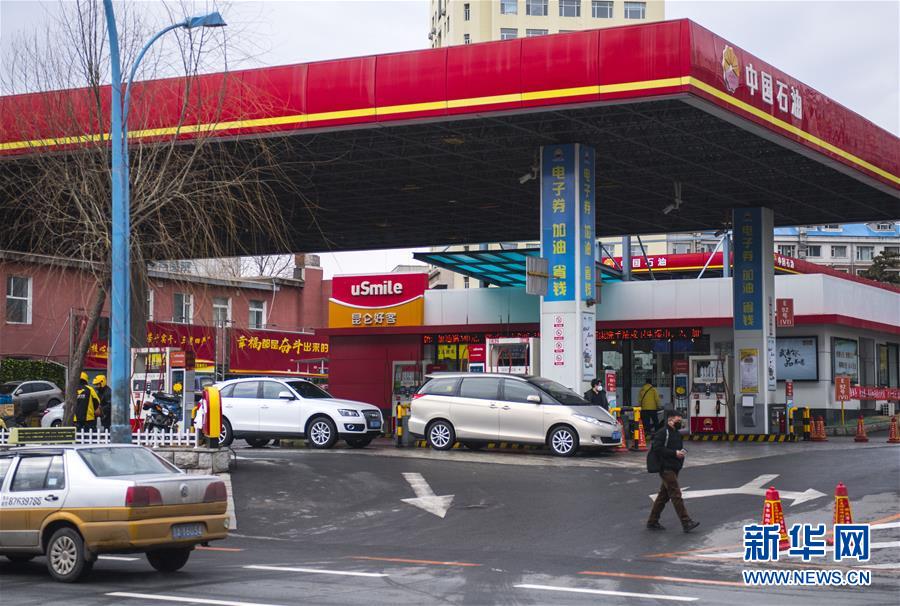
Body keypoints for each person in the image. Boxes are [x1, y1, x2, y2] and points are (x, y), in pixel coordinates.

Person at [646, 409, 700, 533]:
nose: (680, 422)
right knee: (676, 494)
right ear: (670, 419)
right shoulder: (662, 432)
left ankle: (652, 521)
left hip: (674, 467)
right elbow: (657, 448)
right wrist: (674, 453)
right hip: (665, 468)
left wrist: (680, 454)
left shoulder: (676, 433)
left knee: (663, 496)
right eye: (678, 420)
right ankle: (686, 522)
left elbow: (677, 448)